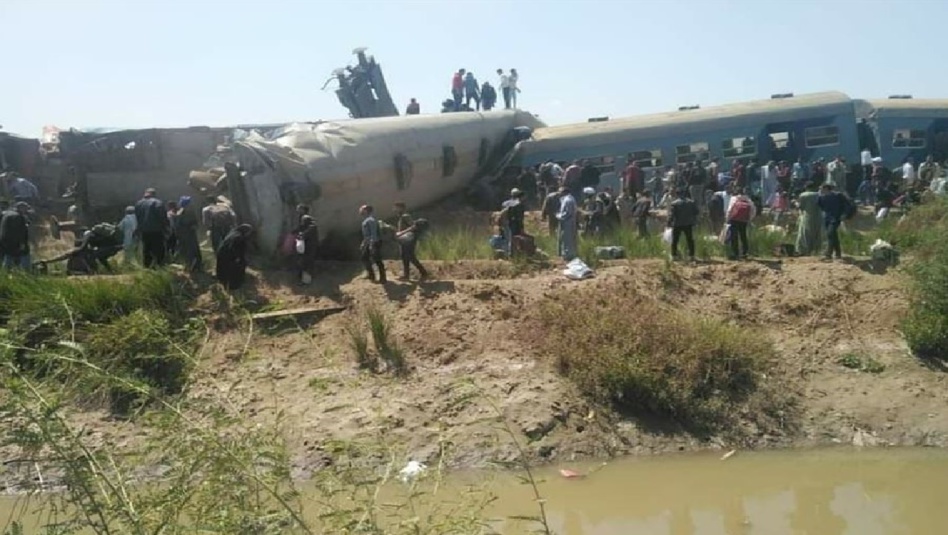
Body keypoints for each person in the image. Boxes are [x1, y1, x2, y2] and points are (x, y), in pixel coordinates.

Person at [37, 223, 124, 275]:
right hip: (114, 247)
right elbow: (101, 258)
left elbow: (76, 251)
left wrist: (47, 261)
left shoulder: (87, 238)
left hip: (108, 250)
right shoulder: (96, 242)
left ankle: (47, 266)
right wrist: (110, 270)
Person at [135, 188, 170, 268]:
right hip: (156, 230)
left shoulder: (138, 204)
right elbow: (162, 216)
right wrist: (166, 227)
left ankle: (147, 268)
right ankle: (160, 267)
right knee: (159, 249)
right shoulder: (157, 203)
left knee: (146, 250)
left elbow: (137, 218)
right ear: (154, 194)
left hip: (144, 231)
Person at [393, 202, 429, 281]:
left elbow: (413, 226)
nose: (394, 209)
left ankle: (424, 273)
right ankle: (406, 275)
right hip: (404, 240)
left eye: (396, 207)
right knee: (405, 257)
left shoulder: (405, 216)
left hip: (408, 240)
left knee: (410, 257)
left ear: (401, 208)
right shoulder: (401, 217)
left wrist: (401, 233)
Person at [216, 224, 252, 290]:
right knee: (237, 268)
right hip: (229, 255)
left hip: (222, 253)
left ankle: (225, 282)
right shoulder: (239, 237)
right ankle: (234, 285)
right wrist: (239, 259)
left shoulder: (233, 232)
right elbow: (237, 250)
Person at [816, 184, 847, 261]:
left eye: (822, 188)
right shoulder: (822, 197)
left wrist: (844, 214)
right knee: (833, 235)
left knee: (830, 233)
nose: (820, 190)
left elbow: (847, 205)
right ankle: (838, 253)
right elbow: (819, 205)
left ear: (826, 188)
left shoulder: (838, 195)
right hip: (827, 218)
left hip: (836, 217)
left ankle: (828, 254)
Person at [667, 188, 698, 262]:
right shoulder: (691, 202)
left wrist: (669, 223)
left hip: (677, 224)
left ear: (677, 194)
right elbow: (696, 212)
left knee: (675, 240)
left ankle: (674, 256)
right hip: (688, 223)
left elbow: (672, 215)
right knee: (690, 240)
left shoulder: (674, 203)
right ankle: (692, 256)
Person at [725, 189, 756, 260]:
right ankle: (744, 253)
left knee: (734, 237)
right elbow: (753, 210)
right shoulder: (748, 200)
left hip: (734, 220)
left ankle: (735, 253)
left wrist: (727, 219)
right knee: (743, 236)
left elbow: (730, 209)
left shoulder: (734, 198)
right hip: (743, 221)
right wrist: (749, 219)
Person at [174, 196, 202, 273]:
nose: (192, 204)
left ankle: (197, 266)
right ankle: (192, 267)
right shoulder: (182, 213)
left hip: (189, 234)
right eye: (190, 203)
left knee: (193, 251)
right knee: (190, 251)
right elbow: (180, 225)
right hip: (187, 235)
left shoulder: (188, 211)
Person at [0, 202, 32, 269]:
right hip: (14, 242)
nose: (26, 210)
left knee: (8, 256)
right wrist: (22, 243)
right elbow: (20, 232)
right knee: (25, 255)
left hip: (4, 240)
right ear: (21, 208)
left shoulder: (6, 214)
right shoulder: (18, 217)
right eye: (25, 208)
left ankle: (6, 271)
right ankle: (27, 271)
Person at [359, 204, 386, 283]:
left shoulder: (371, 220)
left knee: (377, 259)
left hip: (374, 242)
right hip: (369, 242)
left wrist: (371, 244)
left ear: (366, 210)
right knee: (364, 257)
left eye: (362, 209)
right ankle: (371, 275)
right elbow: (366, 235)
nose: (360, 210)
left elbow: (373, 233)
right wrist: (363, 243)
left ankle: (383, 278)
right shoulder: (367, 220)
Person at [794, 182, 823, 256]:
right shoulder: (819, 194)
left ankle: (804, 250)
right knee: (817, 233)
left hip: (807, 216)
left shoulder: (804, 195)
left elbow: (800, 206)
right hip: (818, 216)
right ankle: (816, 249)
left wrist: (795, 203)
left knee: (805, 233)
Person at [295, 214, 319, 285]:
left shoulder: (312, 227)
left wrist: (299, 236)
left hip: (310, 248)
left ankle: (306, 281)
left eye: (303, 221)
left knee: (306, 264)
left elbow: (304, 235)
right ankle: (306, 278)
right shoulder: (310, 226)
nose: (302, 222)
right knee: (307, 263)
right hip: (309, 248)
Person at [555, 187, 578, 260]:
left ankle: (568, 255)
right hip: (568, 222)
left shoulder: (568, 200)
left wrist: (559, 216)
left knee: (567, 238)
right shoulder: (568, 199)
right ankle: (566, 254)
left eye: (560, 192)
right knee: (566, 238)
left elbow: (568, 213)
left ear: (564, 192)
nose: (559, 193)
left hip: (567, 222)